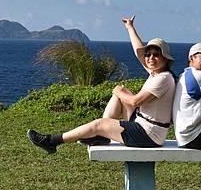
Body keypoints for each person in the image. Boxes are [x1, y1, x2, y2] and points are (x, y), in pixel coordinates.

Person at [27, 15, 176, 153]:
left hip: (148, 135)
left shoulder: (162, 79)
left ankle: (52, 141)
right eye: (148, 54)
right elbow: (138, 52)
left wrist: (117, 91)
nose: (150, 58)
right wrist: (130, 27)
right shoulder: (156, 72)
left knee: (100, 122)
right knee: (122, 92)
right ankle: (102, 135)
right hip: (143, 124)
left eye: (156, 55)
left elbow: (135, 101)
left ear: (165, 59)